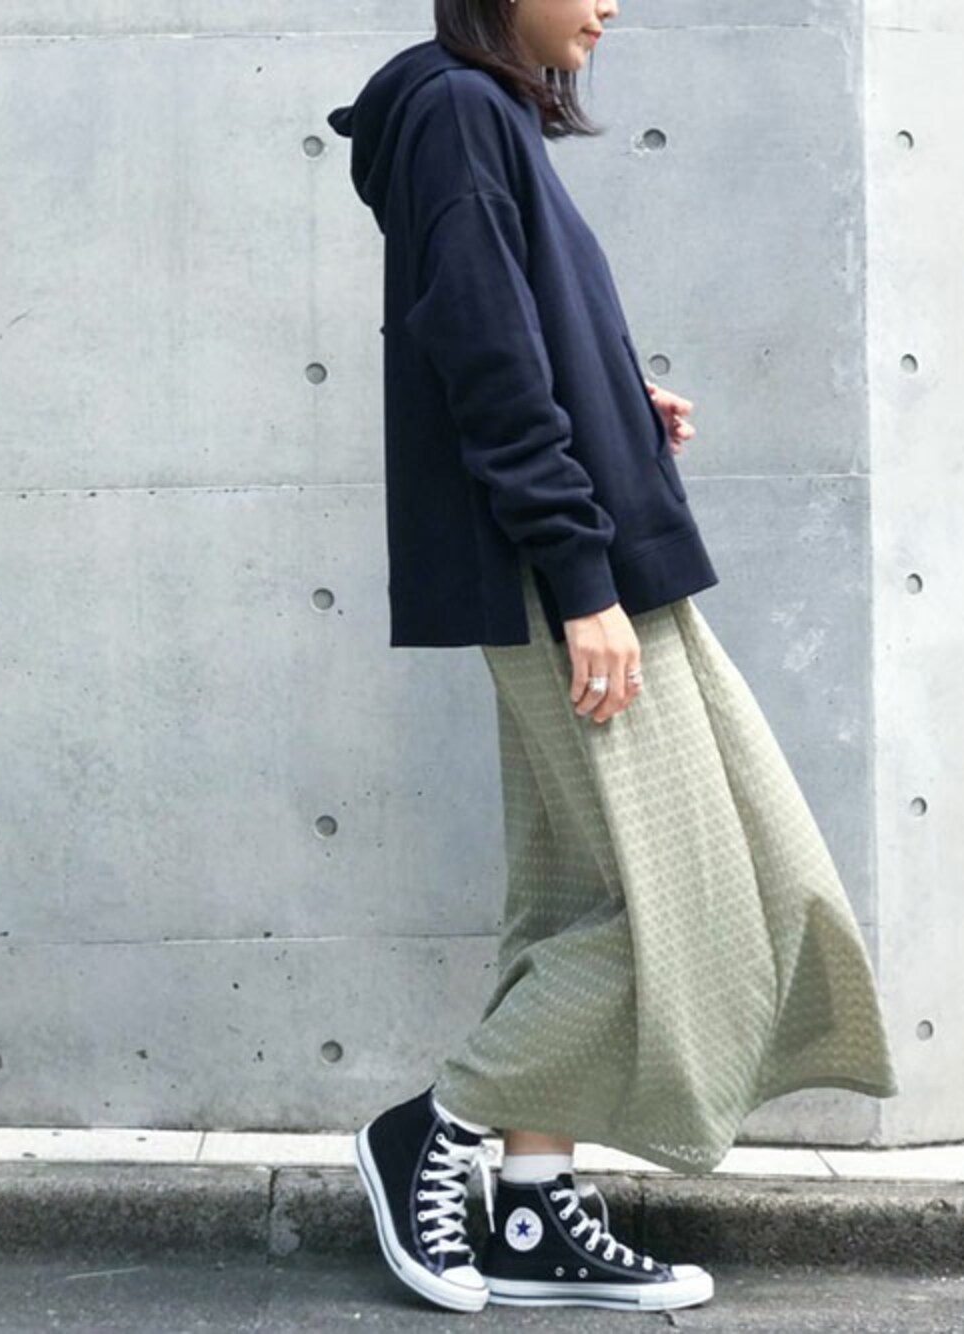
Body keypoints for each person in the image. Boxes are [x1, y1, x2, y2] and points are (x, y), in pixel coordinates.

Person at [327, 0, 899, 1316]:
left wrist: (618, 403)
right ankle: (435, 1129)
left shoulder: (479, 115)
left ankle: (532, 1206)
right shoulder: (458, 112)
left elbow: (523, 334)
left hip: (585, 560)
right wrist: (581, 581)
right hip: (570, 580)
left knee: (587, 896)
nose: (610, 2)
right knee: (693, 905)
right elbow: (481, 354)